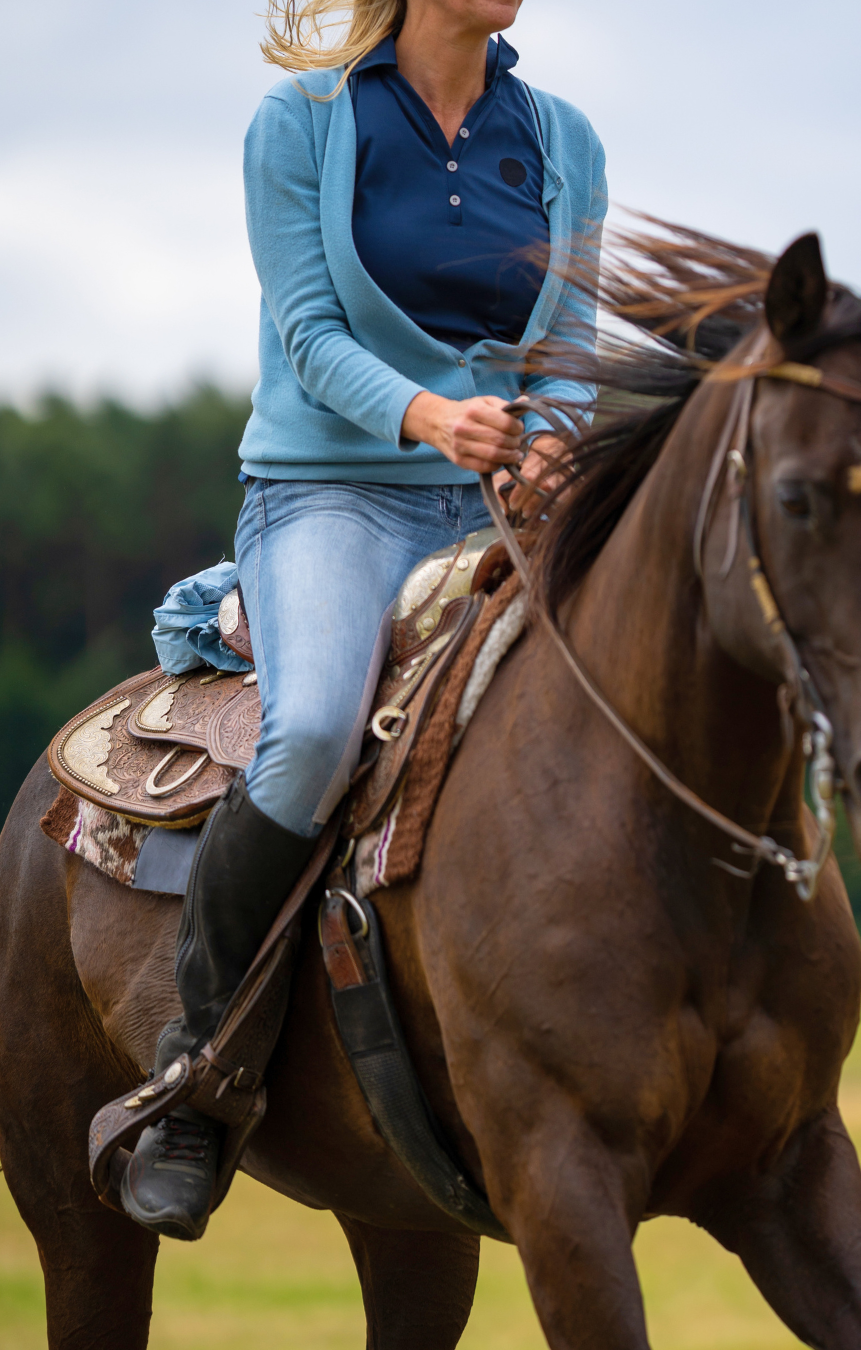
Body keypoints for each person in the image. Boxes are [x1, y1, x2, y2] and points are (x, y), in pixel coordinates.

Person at [120, 0, 606, 1241]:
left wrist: (547, 443)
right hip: (331, 491)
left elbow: (568, 346)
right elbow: (308, 333)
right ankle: (198, 1073)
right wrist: (435, 417)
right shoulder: (301, 122)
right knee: (317, 730)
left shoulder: (564, 138)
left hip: (499, 500)